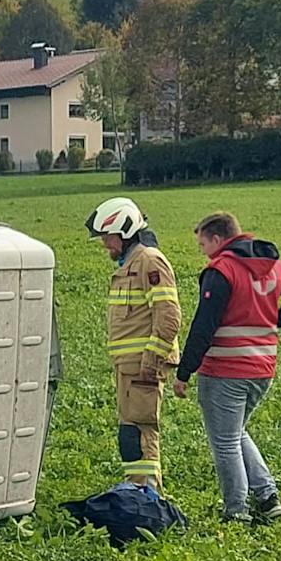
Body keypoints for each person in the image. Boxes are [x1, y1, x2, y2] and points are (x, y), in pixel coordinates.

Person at [172, 213, 281, 523]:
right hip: (262, 368)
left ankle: (236, 511)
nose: (203, 251)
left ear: (218, 239)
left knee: (224, 442)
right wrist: (273, 322)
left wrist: (184, 371)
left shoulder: (221, 270)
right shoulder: (273, 265)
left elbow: (204, 326)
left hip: (225, 369)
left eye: (203, 244)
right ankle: (267, 497)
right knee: (235, 433)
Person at [86, 196, 180, 489]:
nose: (105, 245)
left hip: (143, 368)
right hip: (129, 368)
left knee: (140, 432)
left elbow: (169, 316)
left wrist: (151, 361)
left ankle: (146, 495)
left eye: (108, 237)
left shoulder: (149, 261)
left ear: (125, 231)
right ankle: (138, 489)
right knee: (130, 433)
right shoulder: (131, 264)